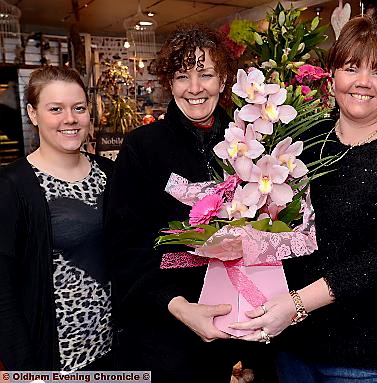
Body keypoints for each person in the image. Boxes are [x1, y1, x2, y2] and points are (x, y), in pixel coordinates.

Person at [230, 17, 377, 383]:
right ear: (332, 76)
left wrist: (297, 303)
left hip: (366, 354)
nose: (362, 82)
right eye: (351, 68)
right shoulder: (304, 138)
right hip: (293, 343)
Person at [103, 24, 269, 382]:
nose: (195, 88)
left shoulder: (253, 142)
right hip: (164, 335)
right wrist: (178, 306)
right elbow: (124, 246)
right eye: (182, 76)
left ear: (224, 80)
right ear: (170, 83)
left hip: (242, 328)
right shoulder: (142, 148)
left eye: (206, 74)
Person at [0, 65, 114, 370]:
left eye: (78, 108)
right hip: (56, 359)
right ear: (33, 114)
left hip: (117, 351)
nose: (70, 119)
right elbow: (3, 291)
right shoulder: (13, 186)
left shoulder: (109, 173)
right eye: (55, 109)